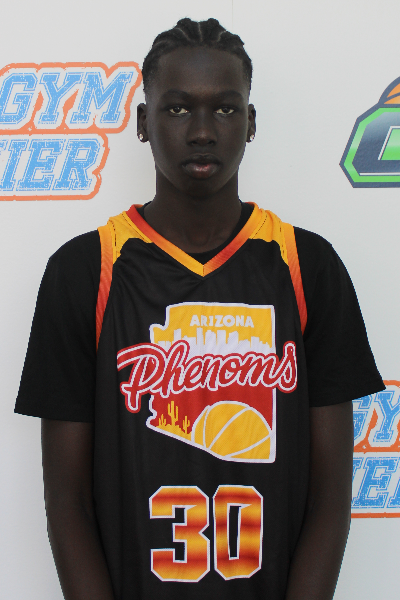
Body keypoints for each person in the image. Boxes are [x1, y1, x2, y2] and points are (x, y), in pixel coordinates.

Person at [15, 17, 384, 600]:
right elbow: (67, 502)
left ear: (252, 123)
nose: (204, 131)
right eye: (179, 108)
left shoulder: (307, 267)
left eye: (226, 109)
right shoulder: (84, 272)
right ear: (143, 123)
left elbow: (331, 497)